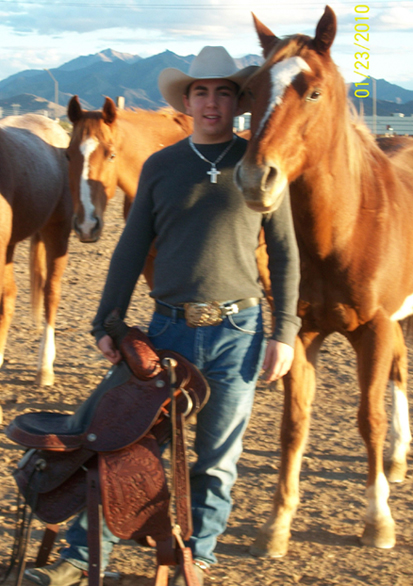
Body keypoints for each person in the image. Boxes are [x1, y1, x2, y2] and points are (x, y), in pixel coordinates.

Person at [25, 46, 301, 586]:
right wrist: (106, 321)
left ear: (236, 103)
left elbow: (286, 253)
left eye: (223, 92)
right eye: (202, 92)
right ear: (188, 101)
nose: (212, 102)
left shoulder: (260, 165)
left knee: (216, 460)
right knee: (126, 448)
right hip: (169, 329)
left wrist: (285, 332)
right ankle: (82, 556)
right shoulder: (161, 166)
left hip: (239, 332)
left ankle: (197, 559)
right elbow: (131, 247)